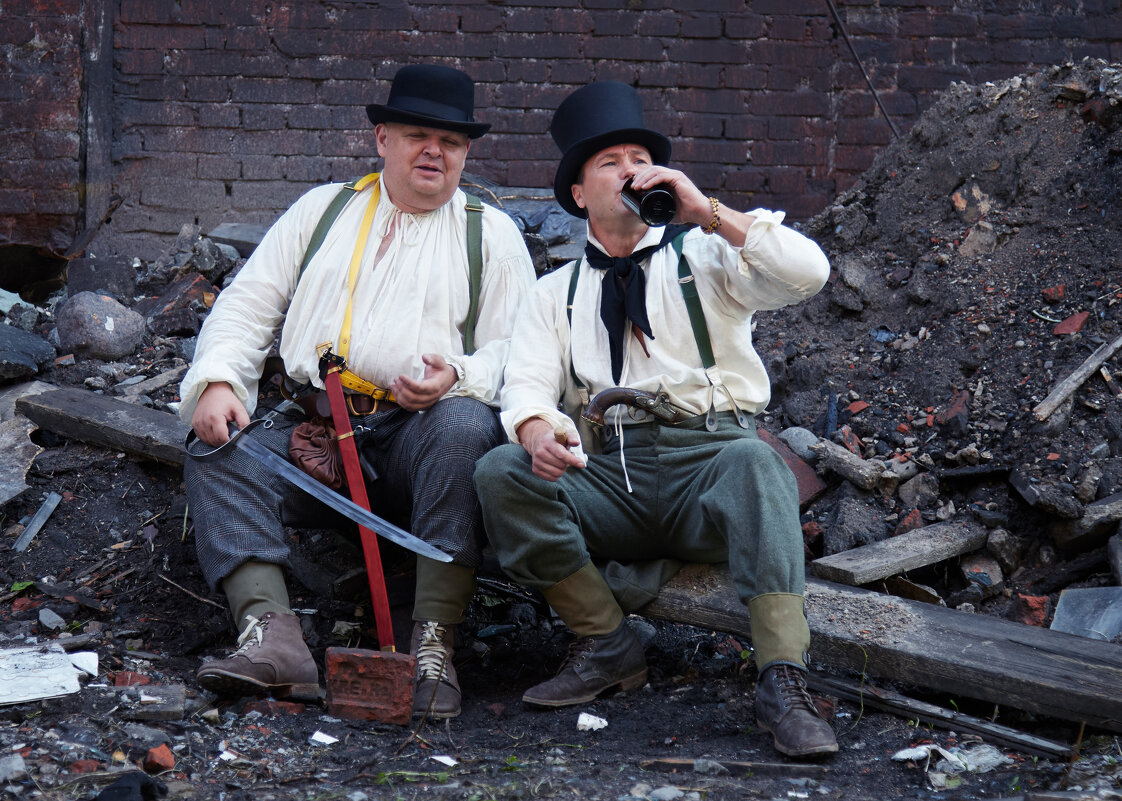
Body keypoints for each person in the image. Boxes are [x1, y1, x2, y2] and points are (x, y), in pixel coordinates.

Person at [473, 81, 838, 758]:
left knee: (759, 462)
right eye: (610, 161)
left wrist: (709, 211)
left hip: (711, 462)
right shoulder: (555, 293)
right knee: (501, 471)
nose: (631, 171)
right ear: (579, 193)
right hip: (611, 476)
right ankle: (609, 642)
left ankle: (784, 679)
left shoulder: (707, 255)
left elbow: (809, 272)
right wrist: (534, 430)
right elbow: (523, 387)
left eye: (640, 156)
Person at [179, 64, 535, 719]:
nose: (434, 151)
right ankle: (274, 637)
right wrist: (221, 380)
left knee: (464, 429)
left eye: (451, 142)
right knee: (218, 452)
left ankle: (432, 647)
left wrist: (457, 377)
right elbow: (247, 305)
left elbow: (524, 355)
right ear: (382, 140)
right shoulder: (323, 212)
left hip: (419, 440)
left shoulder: (494, 237)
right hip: (319, 432)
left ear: (465, 154)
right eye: (417, 134)